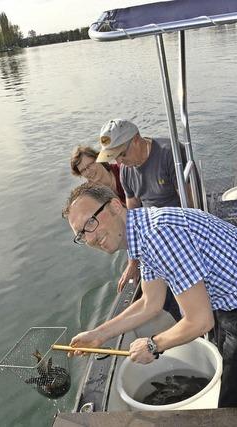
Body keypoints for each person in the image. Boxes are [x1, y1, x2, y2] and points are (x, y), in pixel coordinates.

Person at [62, 183, 237, 408]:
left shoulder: (158, 236)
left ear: (115, 206)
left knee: (236, 408)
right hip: (236, 303)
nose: (90, 238)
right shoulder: (144, 231)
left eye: (90, 223)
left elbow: (201, 321)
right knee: (236, 382)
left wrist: (153, 345)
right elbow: (149, 303)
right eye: (81, 235)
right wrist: (98, 335)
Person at [95, 118, 187, 320]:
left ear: (136, 140)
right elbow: (131, 216)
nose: (119, 163)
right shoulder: (126, 172)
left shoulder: (169, 153)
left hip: (180, 232)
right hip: (152, 239)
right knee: (159, 300)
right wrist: (132, 263)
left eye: (122, 154)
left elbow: (191, 204)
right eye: (113, 158)